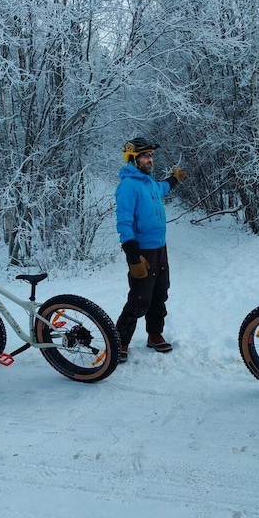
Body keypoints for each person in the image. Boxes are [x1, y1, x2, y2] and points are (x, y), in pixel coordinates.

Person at [115, 137, 187, 363]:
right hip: (142, 252)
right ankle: (120, 341)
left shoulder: (149, 183)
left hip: (160, 249)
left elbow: (162, 188)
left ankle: (154, 334)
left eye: (151, 156)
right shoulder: (128, 185)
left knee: (160, 293)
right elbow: (124, 222)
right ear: (133, 159)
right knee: (139, 298)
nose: (150, 160)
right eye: (145, 156)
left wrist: (174, 179)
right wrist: (132, 254)